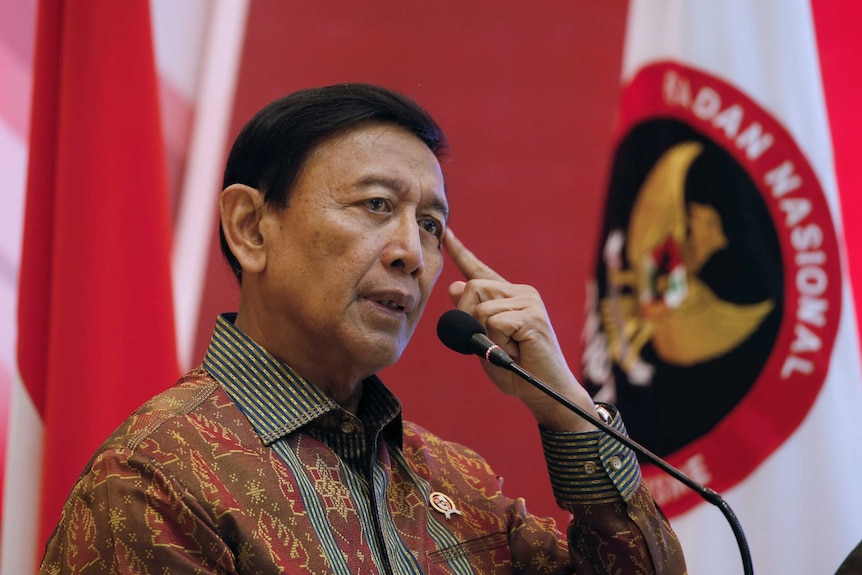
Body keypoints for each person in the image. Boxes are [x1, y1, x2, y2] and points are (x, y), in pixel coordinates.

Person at [40, 83, 686, 574]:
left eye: (431, 224)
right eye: (376, 205)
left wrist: (569, 413)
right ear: (250, 227)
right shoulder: (156, 478)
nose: (411, 250)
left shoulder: (454, 481)